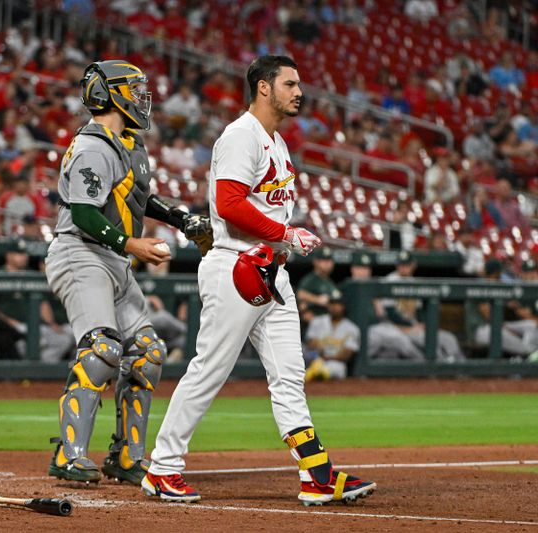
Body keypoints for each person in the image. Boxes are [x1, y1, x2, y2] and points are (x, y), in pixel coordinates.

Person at [143, 55, 375, 505]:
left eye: (299, 84)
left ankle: (317, 474)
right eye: (290, 83)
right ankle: (162, 468)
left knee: (290, 376)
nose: (299, 92)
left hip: (272, 270)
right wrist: (285, 233)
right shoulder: (240, 135)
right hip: (236, 264)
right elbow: (228, 204)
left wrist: (282, 240)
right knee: (210, 369)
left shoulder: (276, 142)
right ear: (263, 88)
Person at [45, 60, 212, 486]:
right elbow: (83, 212)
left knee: (147, 353)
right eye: (134, 90)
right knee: (102, 348)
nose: (142, 98)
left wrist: (179, 218)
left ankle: (125, 456)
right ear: (110, 94)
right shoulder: (92, 146)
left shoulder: (127, 142)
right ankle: (68, 453)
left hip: (112, 259)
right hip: (80, 252)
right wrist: (132, 243)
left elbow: (137, 196)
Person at [379, 251, 465, 362]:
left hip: (414, 327)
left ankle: (461, 366)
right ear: (397, 265)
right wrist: (413, 325)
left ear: (413, 265)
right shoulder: (389, 281)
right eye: (401, 265)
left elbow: (419, 311)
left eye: (407, 265)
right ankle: (442, 367)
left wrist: (424, 324)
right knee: (429, 342)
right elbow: (390, 312)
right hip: (395, 327)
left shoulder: (414, 282)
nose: (404, 268)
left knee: (449, 339)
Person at [303, 289, 360, 381]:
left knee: (337, 368)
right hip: (315, 359)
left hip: (335, 362)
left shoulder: (352, 328)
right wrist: (318, 350)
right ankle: (314, 372)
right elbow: (311, 344)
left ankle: (312, 374)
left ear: (343, 306)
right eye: (332, 303)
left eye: (338, 304)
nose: (334, 307)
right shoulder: (317, 321)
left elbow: (347, 355)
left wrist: (327, 357)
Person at [296, 246, 338, 324]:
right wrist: (317, 299)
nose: (327, 263)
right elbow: (300, 294)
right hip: (315, 325)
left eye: (329, 260)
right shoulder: (310, 279)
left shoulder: (329, 282)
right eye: (324, 260)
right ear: (316, 262)